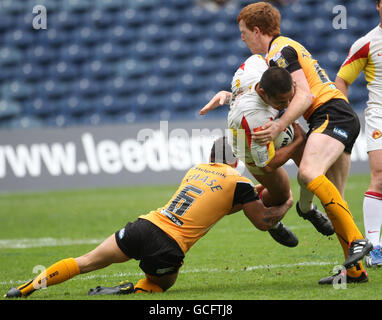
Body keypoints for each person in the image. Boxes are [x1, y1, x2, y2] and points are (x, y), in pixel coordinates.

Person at [5, 137, 294, 298]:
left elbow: (214, 203)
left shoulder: (195, 170)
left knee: (86, 261)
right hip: (168, 246)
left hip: (144, 226)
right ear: (237, 161)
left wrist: (248, 196)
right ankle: (129, 290)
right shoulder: (238, 180)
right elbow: (261, 222)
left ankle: (26, 288)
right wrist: (285, 205)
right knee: (162, 285)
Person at [236, 2, 372, 284]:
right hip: (336, 114)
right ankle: (356, 271)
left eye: (244, 32)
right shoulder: (282, 49)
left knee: (308, 173)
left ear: (257, 30)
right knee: (335, 198)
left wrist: (278, 125)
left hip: (331, 114)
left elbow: (305, 96)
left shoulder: (280, 51)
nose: (242, 38)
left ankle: (356, 239)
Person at [200, 54, 334, 238]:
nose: (287, 105)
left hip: (265, 122)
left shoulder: (254, 65)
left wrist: (229, 96)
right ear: (263, 93)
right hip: (248, 144)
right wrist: (297, 141)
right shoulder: (255, 119)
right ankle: (265, 216)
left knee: (312, 165)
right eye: (281, 102)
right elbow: (268, 164)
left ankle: (307, 208)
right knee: (281, 195)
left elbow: (245, 91)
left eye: (290, 98)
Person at [335, 0, 382, 267]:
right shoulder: (367, 43)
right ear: (377, 6)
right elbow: (341, 79)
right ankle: (375, 247)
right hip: (379, 115)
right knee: (380, 177)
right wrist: (345, 112)